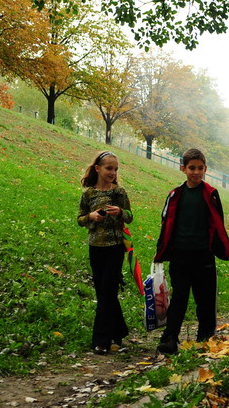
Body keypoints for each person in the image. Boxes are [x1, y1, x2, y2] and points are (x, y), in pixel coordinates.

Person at [154, 148, 229, 355]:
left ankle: (206, 337)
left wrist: (216, 248)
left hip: (203, 255)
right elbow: (166, 224)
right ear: (183, 169)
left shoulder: (211, 194)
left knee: (205, 299)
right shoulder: (175, 195)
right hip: (180, 255)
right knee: (179, 298)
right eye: (192, 168)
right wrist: (161, 252)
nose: (196, 172)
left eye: (200, 168)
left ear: (205, 169)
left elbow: (218, 223)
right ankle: (170, 338)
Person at [77, 150, 134, 355]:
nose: (112, 172)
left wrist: (120, 212)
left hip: (116, 247)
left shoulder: (119, 193)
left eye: (115, 169)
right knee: (103, 292)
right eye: (109, 168)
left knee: (107, 291)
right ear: (98, 169)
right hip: (95, 247)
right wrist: (91, 216)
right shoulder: (88, 194)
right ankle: (119, 331)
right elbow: (80, 219)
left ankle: (100, 340)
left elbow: (130, 217)